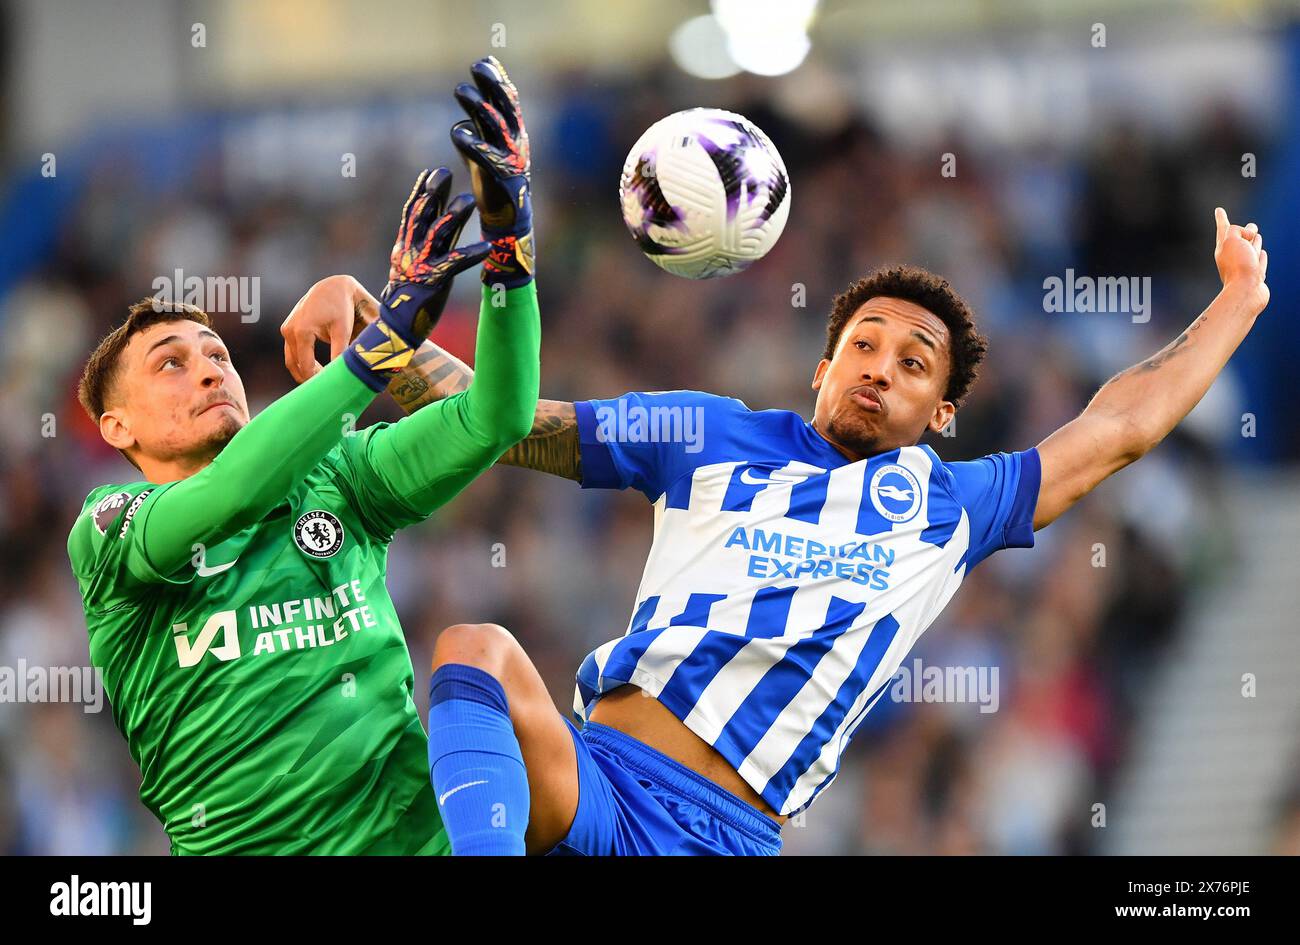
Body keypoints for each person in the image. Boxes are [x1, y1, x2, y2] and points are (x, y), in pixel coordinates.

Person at [285, 207, 1267, 856]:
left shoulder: (954, 507)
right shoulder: (708, 433)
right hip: (600, 781)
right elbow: (503, 421)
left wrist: (1236, 302)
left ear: (943, 414)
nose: (879, 366)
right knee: (476, 653)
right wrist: (373, 348)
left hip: (729, 837)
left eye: (913, 361)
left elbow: (1117, 429)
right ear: (821, 369)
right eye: (862, 346)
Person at [67, 56, 538, 854]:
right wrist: (378, 349)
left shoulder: (338, 478)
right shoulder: (112, 531)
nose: (209, 367)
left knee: (494, 659)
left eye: (215, 352)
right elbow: (234, 492)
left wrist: (509, 249)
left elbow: (497, 416)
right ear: (118, 430)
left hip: (410, 841)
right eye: (170, 363)